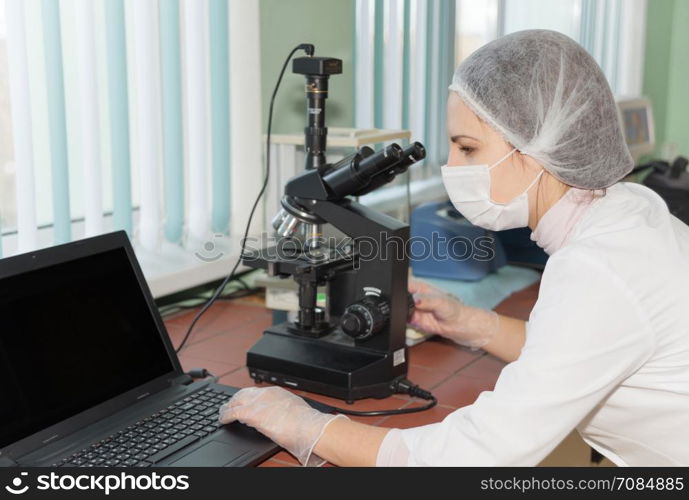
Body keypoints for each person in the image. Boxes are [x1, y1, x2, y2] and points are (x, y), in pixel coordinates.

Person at [217, 29, 689, 466]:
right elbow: (575, 351)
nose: (451, 166)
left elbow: (475, 454)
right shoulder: (627, 210)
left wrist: (307, 427)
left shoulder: (598, 267)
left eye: (466, 148)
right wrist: (473, 324)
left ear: (536, 148)